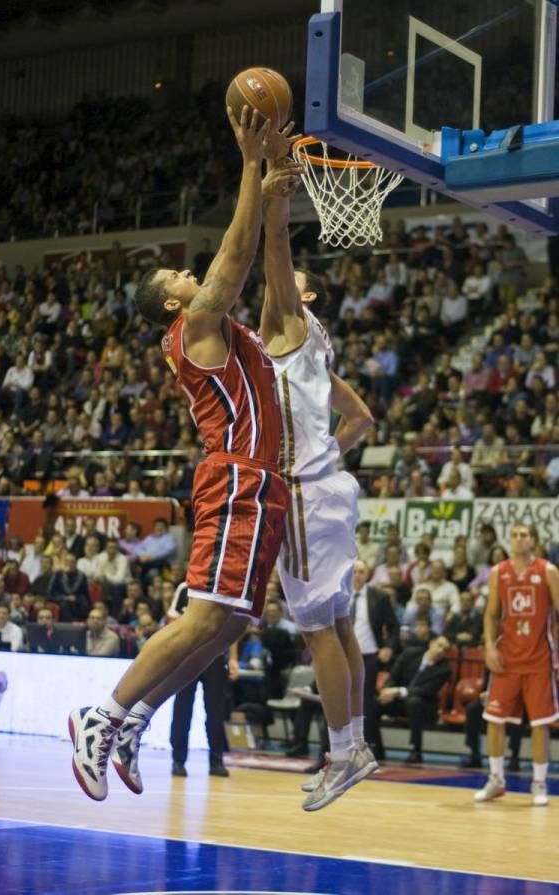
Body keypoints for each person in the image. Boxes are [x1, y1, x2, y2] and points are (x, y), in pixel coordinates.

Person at [69, 106, 294, 802]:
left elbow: (266, 263)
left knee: (228, 621)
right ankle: (99, 713)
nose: (190, 272)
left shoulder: (226, 328)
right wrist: (250, 162)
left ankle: (138, 716)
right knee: (204, 615)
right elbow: (237, 251)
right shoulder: (197, 323)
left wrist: (275, 189)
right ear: (173, 303)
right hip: (235, 475)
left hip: (261, 483)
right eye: (177, 273)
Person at [258, 155, 377, 811]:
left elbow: (275, 245)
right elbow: (363, 418)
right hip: (329, 484)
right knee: (338, 625)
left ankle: (341, 753)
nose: (278, 285)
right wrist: (328, 449)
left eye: (287, 284)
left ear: (299, 295)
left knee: (317, 631)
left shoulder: (286, 321)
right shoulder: (315, 341)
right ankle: (353, 743)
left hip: (304, 490)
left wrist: (277, 193)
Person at [475, 522, 559, 806]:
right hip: (506, 659)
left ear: (532, 540)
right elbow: (490, 615)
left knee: (540, 723)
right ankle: (496, 779)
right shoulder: (499, 572)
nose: (519, 539)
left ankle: (539, 783)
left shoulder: (547, 571)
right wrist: (488, 646)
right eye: (514, 535)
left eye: (524, 535)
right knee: (494, 720)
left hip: (539, 659)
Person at [166, 584, 231, 779]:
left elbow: (235, 625)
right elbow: (172, 620)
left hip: (215, 657)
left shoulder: (225, 588)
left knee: (216, 710)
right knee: (182, 709)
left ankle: (217, 760)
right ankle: (178, 760)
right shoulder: (185, 588)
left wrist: (233, 657)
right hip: (187, 657)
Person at [350, 559, 400, 755]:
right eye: (354, 571)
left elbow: (394, 626)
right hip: (343, 657)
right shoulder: (340, 594)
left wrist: (389, 647)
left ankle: (367, 749)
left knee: (365, 703)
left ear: (368, 574)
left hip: (369, 656)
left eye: (362, 571)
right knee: (336, 701)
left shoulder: (378, 596)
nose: (358, 575)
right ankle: (330, 752)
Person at [374, 635, 451, 763]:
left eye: (446, 649)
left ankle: (416, 750)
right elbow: (393, 677)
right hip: (400, 703)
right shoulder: (409, 654)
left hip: (425, 706)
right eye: (440, 645)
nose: (441, 650)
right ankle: (376, 748)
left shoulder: (444, 669)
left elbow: (426, 691)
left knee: (414, 702)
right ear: (431, 643)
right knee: (374, 703)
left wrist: (398, 691)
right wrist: (387, 691)